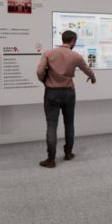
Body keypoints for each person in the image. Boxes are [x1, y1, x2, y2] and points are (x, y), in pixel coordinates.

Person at [35, 30, 96, 168]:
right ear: (73, 40)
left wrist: (44, 80)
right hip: (68, 93)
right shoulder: (76, 56)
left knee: (51, 126)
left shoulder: (48, 53)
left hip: (51, 93)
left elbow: (39, 71)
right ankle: (68, 153)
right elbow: (87, 69)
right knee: (69, 124)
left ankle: (51, 159)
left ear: (62, 39)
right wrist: (92, 78)